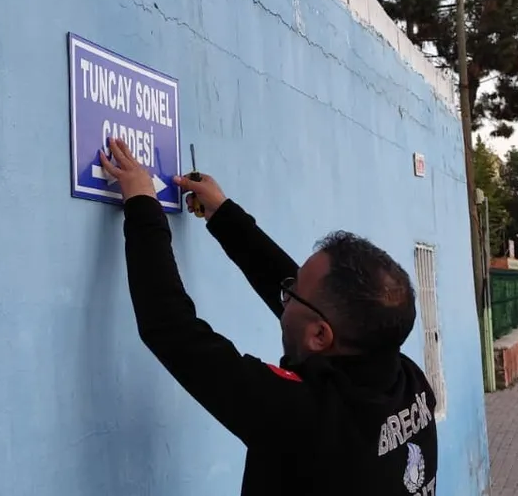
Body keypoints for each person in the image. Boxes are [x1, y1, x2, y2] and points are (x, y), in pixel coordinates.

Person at [98, 138, 439, 496]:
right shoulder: (405, 379)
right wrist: (226, 217)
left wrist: (142, 207)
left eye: (290, 294)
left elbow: (172, 330)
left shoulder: (308, 419)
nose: (284, 295)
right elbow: (320, 308)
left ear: (320, 336)